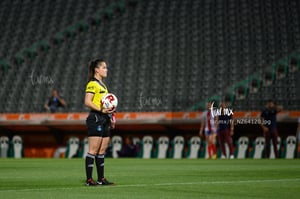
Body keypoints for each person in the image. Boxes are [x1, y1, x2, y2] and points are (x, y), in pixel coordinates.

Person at [84, 59, 116, 186]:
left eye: (106, 67)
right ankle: (89, 180)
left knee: (102, 150)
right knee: (93, 150)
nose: (106, 69)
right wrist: (102, 110)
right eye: (104, 67)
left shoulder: (103, 85)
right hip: (96, 118)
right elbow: (87, 101)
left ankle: (101, 179)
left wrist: (112, 118)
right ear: (96, 70)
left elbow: (109, 105)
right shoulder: (92, 84)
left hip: (105, 119)